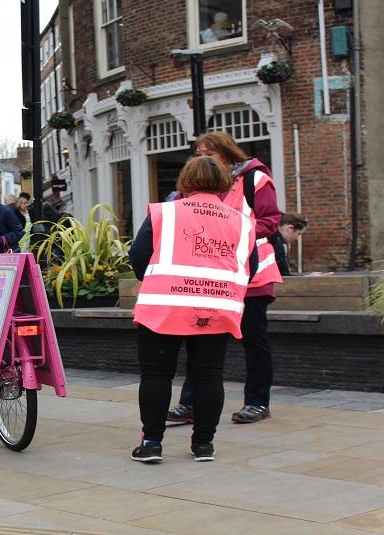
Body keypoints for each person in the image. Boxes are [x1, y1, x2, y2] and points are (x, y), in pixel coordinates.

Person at [129, 156, 257, 463]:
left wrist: (154, 280)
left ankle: (152, 443)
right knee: (209, 376)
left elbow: (139, 255)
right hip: (217, 306)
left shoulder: (166, 213)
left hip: (165, 306)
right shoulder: (242, 221)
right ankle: (203, 445)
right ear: (224, 184)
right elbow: (246, 265)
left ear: (185, 181)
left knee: (157, 375)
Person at [167, 131, 282, 426]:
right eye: (198, 153)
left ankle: (258, 402)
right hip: (213, 273)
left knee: (253, 339)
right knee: (200, 337)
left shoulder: (254, 178)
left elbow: (270, 222)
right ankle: (190, 404)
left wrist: (231, 231)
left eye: (209, 153)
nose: (202, 158)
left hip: (251, 273)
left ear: (227, 153)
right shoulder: (199, 186)